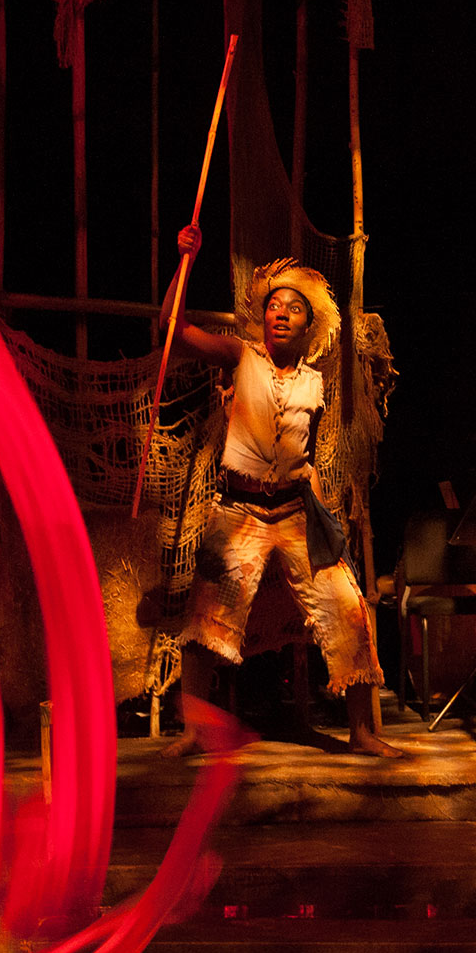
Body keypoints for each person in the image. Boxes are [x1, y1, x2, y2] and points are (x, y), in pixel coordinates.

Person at [158, 224, 399, 757]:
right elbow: (171, 330)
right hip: (238, 508)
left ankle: (361, 731)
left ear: (308, 324)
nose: (281, 312)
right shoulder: (240, 356)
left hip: (294, 511)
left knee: (348, 609)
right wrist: (185, 262)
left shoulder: (318, 379)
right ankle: (195, 730)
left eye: (293, 307)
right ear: (262, 318)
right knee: (205, 618)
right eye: (274, 305)